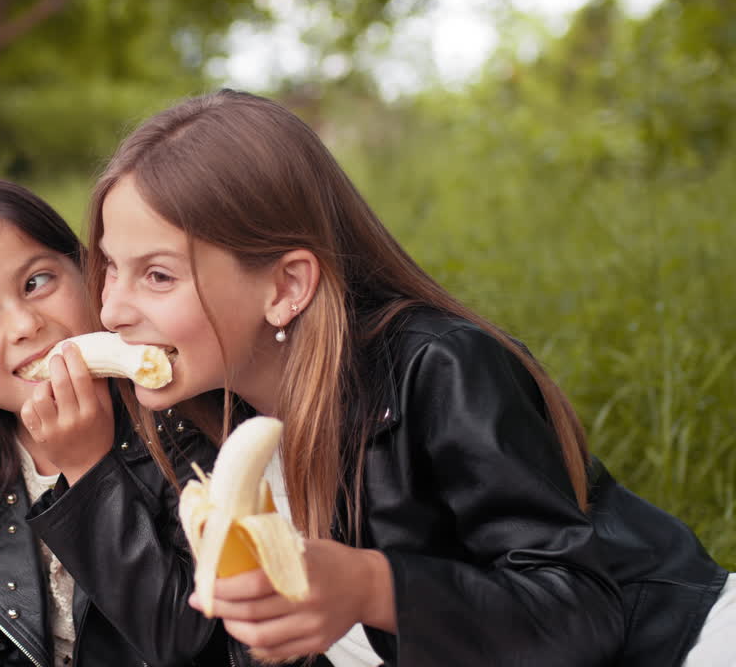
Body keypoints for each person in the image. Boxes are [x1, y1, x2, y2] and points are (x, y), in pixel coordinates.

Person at [87, 89, 733, 667]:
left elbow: (583, 612)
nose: (112, 309)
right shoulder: (203, 421)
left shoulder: (441, 368)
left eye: (158, 276)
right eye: (110, 267)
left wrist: (373, 587)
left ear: (285, 286)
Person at [0, 177, 228, 667]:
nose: (25, 325)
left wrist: (89, 470)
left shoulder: (182, 426)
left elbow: (184, 637)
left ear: (89, 273)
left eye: (36, 282)